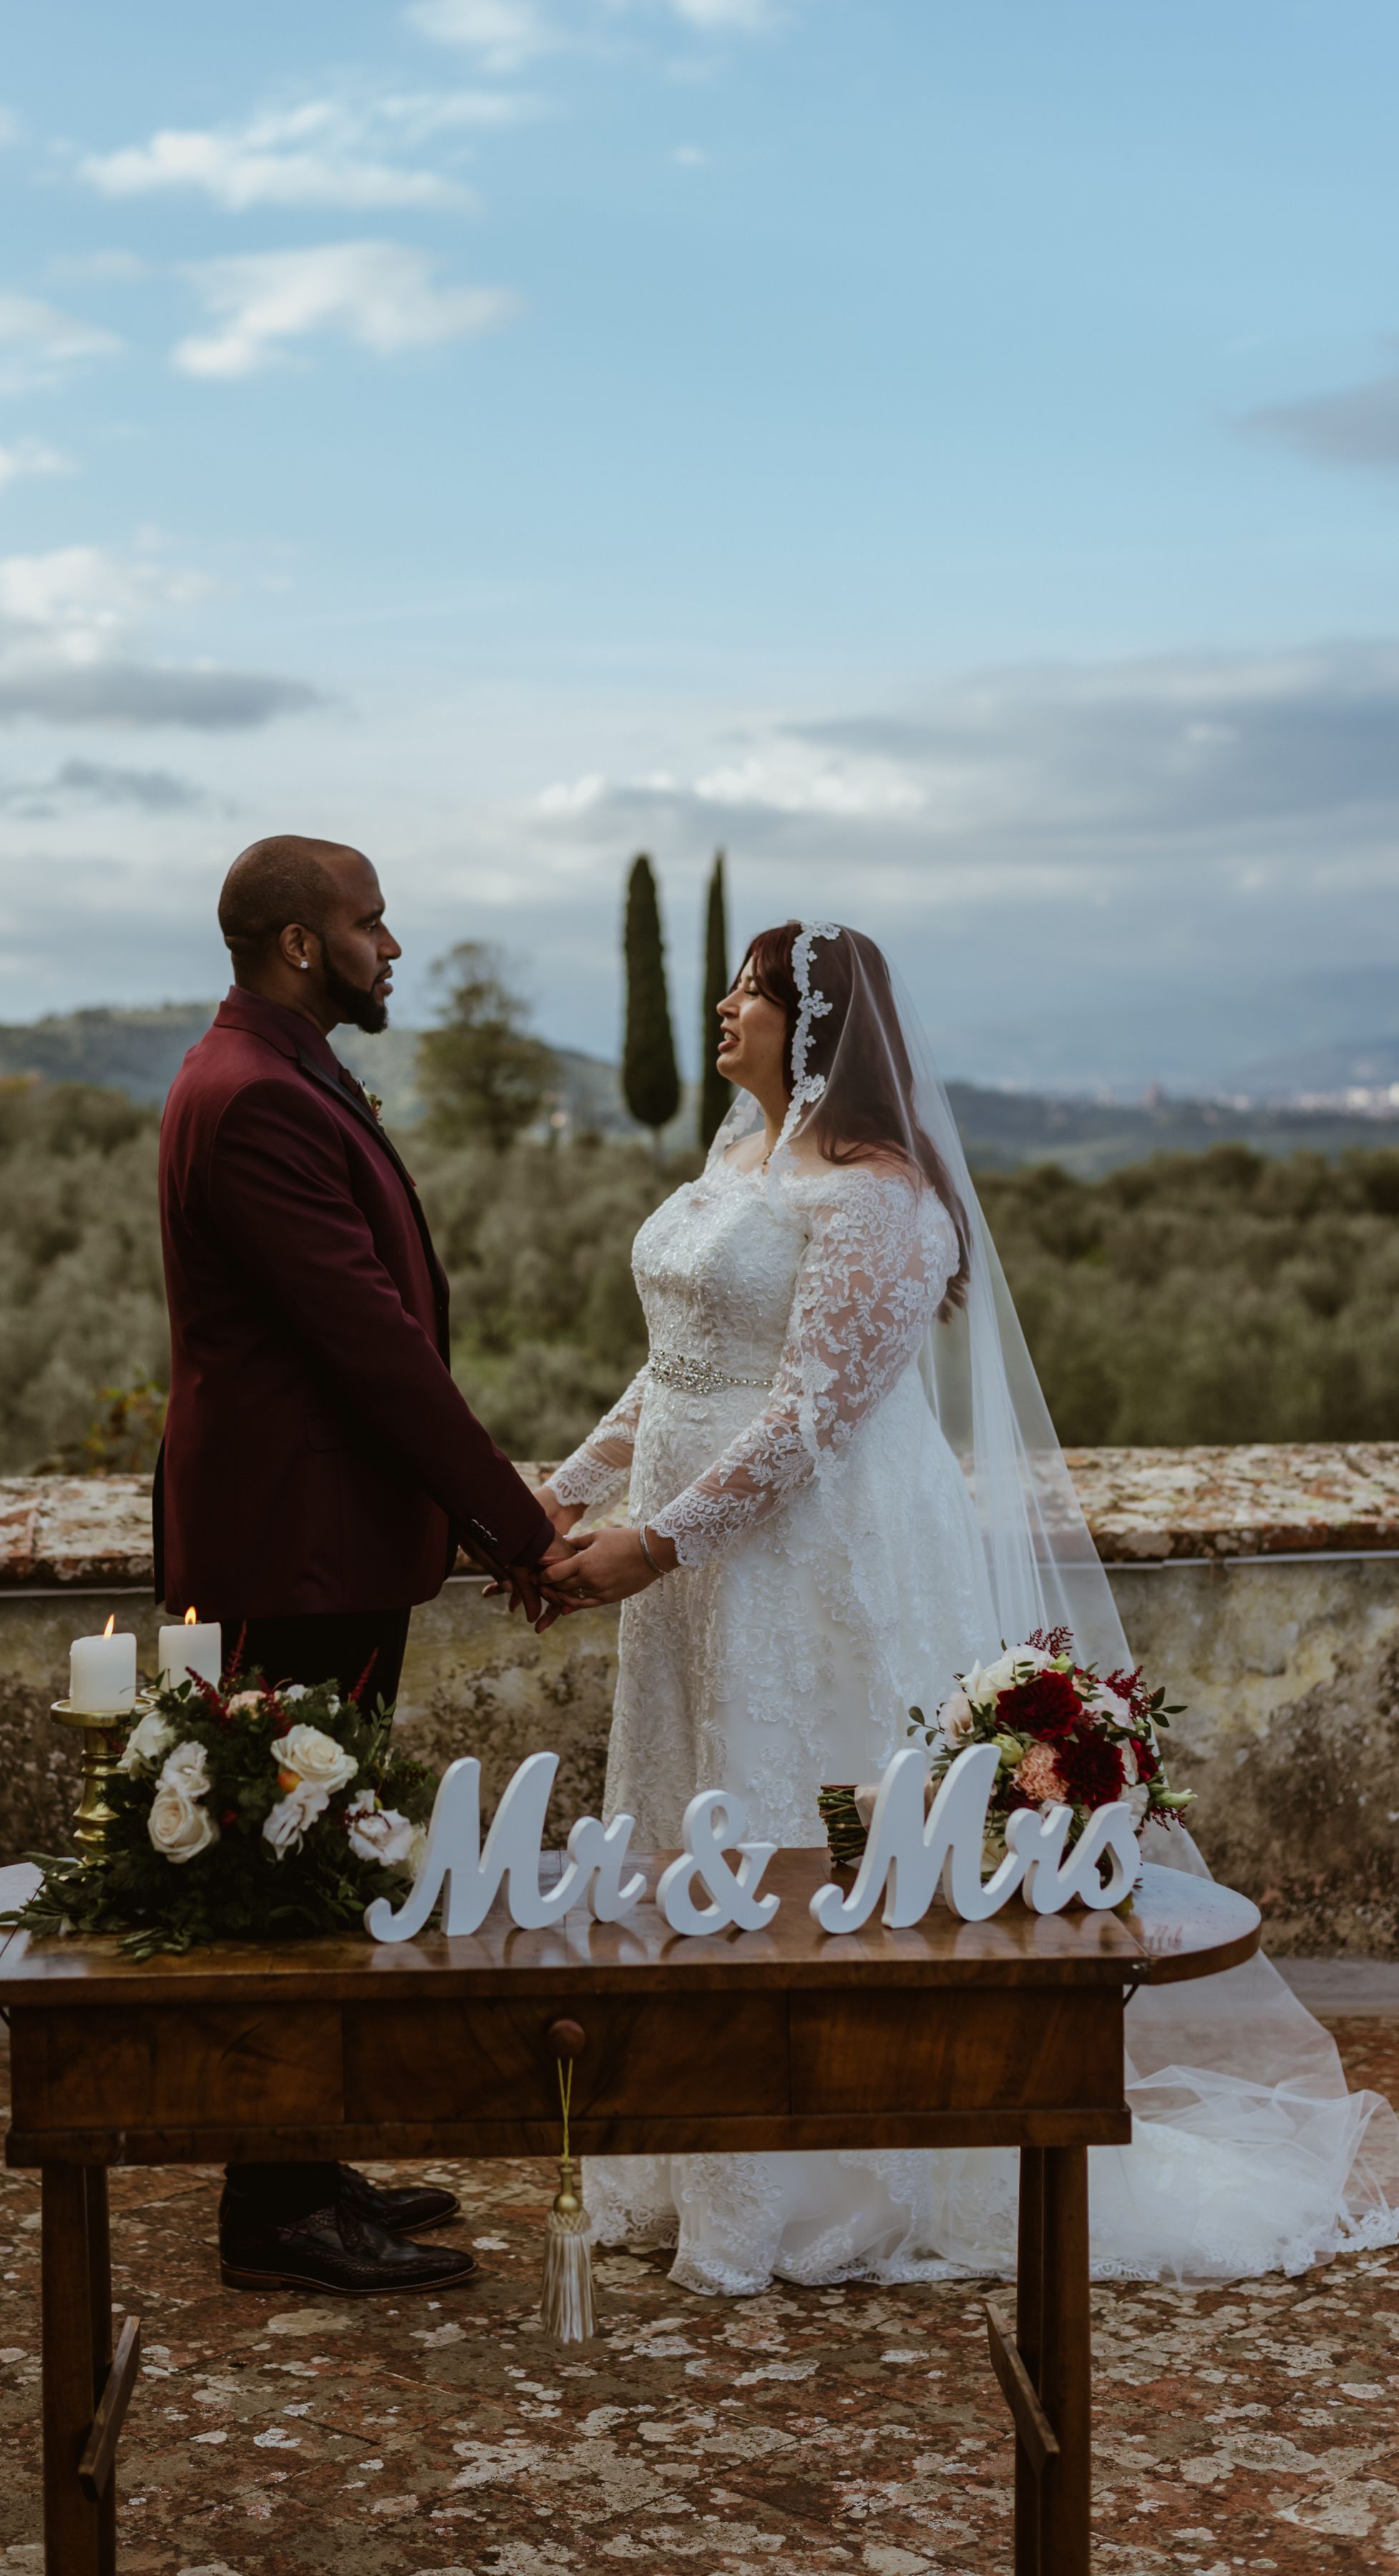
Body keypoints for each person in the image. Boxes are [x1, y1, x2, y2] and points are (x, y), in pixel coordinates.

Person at [540, 918, 1399, 2292]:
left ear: (814, 1028)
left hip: (805, 1563)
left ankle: (802, 2184)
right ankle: (684, 2146)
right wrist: (567, 1497)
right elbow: (679, 1369)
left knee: (799, 1835)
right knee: (689, 1821)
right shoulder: (738, 1159)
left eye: (751, 992)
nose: (723, 1004)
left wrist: (660, 1540)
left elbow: (814, 1416)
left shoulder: (880, 1196)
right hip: (689, 1564)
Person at [155, 831, 570, 2297]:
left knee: (318, 1852)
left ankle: (304, 2162)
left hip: (320, 1537)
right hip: (296, 1545)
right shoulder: (255, 1097)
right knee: (287, 1860)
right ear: (295, 944)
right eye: (369, 924)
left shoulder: (278, 1071)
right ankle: (272, 2216)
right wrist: (516, 1527)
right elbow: (367, 1349)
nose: (391, 948)